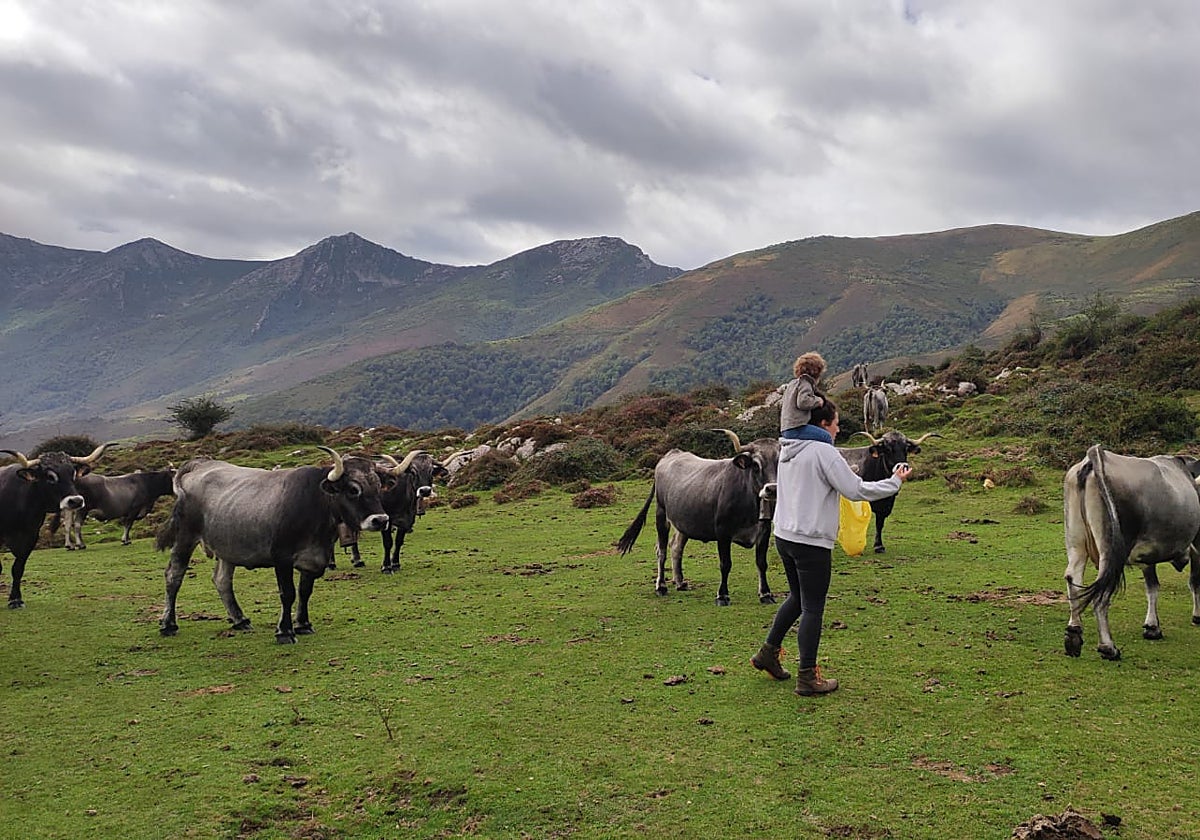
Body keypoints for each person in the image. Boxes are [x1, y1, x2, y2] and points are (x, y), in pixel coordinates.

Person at [752, 398, 913, 695]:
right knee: (813, 607)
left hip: (785, 536)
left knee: (798, 598)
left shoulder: (787, 448)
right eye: (836, 423)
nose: (838, 429)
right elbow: (856, 489)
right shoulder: (824, 452)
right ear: (822, 424)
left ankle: (768, 653)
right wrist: (895, 481)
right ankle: (807, 678)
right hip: (811, 541)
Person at [780, 352, 827, 439]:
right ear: (816, 372)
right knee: (826, 436)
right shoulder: (806, 383)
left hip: (785, 428)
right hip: (797, 427)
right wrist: (818, 401)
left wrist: (779, 390)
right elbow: (803, 402)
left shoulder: (793, 383)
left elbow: (783, 388)